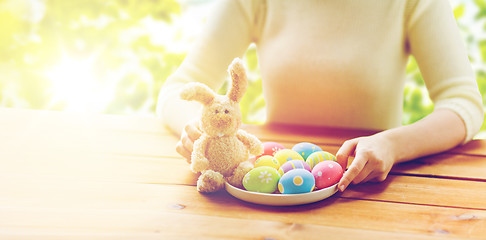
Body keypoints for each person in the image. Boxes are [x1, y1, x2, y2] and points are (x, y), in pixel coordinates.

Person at [156, 0, 484, 192]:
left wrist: (392, 144)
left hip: (365, 192)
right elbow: (178, 87)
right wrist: (199, 131)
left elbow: (464, 103)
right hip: (274, 195)